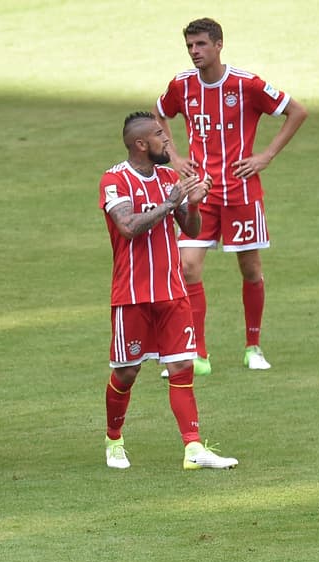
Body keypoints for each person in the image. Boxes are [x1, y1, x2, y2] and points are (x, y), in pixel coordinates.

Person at [155, 17, 307, 375]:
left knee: (250, 268)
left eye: (201, 45)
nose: (195, 51)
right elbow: (159, 114)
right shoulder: (181, 85)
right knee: (187, 267)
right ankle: (197, 352)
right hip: (199, 194)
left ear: (219, 45)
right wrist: (174, 157)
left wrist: (266, 155)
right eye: (190, 45)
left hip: (241, 192)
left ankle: (253, 346)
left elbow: (297, 111)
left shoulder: (246, 84)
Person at [99, 112, 239, 470]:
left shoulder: (167, 178)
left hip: (172, 291)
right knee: (126, 373)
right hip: (131, 294)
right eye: (161, 135)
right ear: (141, 144)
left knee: (181, 366)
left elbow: (191, 229)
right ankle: (114, 440)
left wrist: (191, 202)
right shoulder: (115, 180)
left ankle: (193, 448)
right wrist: (170, 202)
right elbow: (128, 226)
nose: (168, 141)